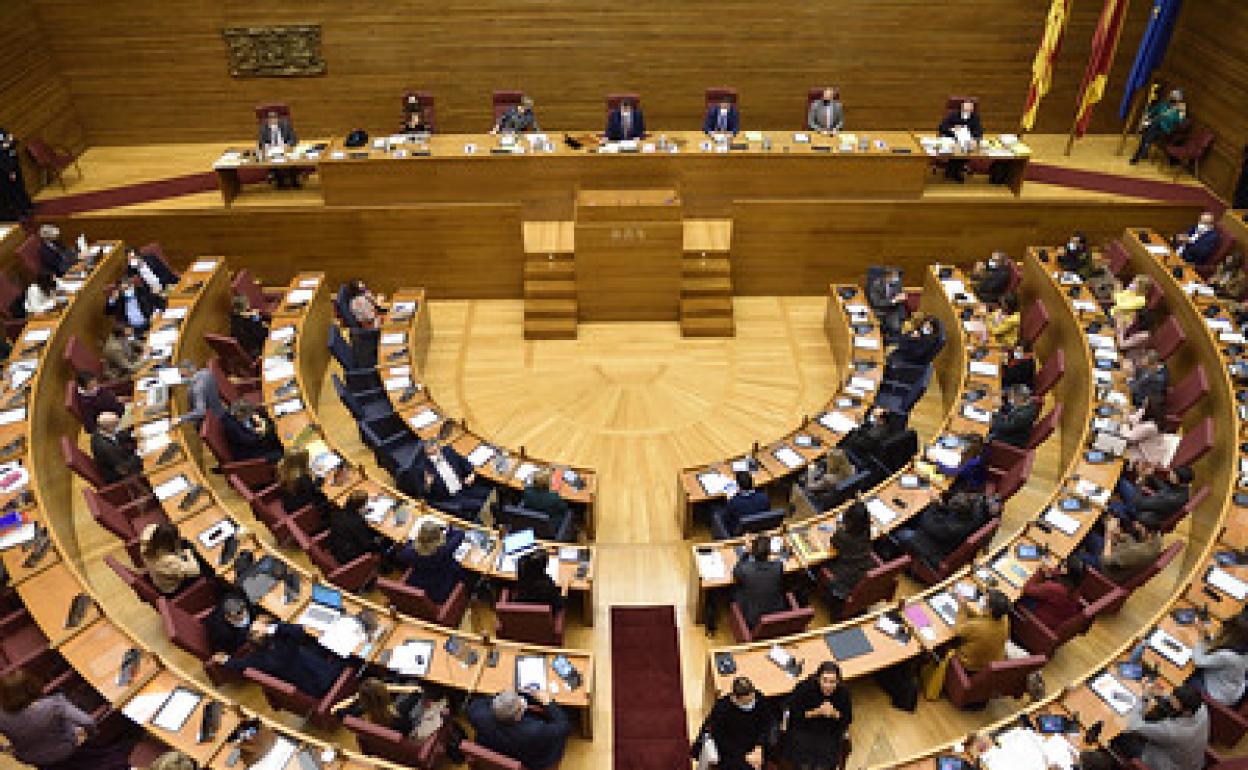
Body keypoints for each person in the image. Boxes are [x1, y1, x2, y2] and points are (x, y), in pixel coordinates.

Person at [0, 669, 133, 770]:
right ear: (32, 686)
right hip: (66, 750)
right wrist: (91, 734)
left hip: (33, 758)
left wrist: (5, 749)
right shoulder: (55, 705)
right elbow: (88, 722)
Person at [213, 620, 348, 698]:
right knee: (348, 655)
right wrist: (273, 626)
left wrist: (225, 659)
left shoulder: (255, 660)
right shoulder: (286, 647)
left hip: (309, 686)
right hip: (327, 681)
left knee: (317, 644)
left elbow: (239, 664)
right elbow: (298, 630)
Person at [893, 491, 999, 572]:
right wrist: (940, 506)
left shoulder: (950, 528)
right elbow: (950, 512)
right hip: (946, 540)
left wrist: (933, 505)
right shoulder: (976, 512)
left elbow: (926, 523)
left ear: (956, 511)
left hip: (935, 550)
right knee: (914, 519)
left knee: (900, 532)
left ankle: (891, 554)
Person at [466, 688, 570, 770]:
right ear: (518, 716)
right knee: (558, 739)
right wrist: (548, 702)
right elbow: (564, 726)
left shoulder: (477, 714)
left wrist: (504, 699)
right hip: (529, 760)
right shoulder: (536, 731)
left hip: (493, 748)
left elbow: (481, 702)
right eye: (520, 706)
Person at [1120, 680, 1208, 770]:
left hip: (1165, 764)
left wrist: (1144, 698)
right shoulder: (1201, 708)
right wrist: (1160, 694)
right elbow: (1176, 701)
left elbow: (1133, 725)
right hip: (1192, 761)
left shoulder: (1172, 732)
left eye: (1172, 707)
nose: (1168, 706)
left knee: (1122, 735)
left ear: (1187, 712)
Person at [782, 662, 852, 770]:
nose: (828, 686)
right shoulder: (804, 688)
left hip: (829, 731)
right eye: (824, 680)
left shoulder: (843, 693)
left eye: (832, 682)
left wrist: (835, 713)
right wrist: (816, 712)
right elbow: (794, 714)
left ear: (838, 681)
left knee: (824, 763)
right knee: (803, 761)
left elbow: (848, 718)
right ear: (818, 678)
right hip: (805, 728)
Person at [695, 676, 776, 770]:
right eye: (746, 703)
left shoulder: (759, 699)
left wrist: (759, 746)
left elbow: (767, 723)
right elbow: (721, 739)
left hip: (756, 742)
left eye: (752, 700)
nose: (750, 704)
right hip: (733, 749)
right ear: (734, 698)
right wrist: (744, 756)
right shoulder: (722, 709)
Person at [402, 439, 494, 519]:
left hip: (465, 486)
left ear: (439, 448)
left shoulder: (448, 451)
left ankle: (494, 512)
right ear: (426, 454)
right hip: (450, 497)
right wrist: (428, 484)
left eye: (436, 451)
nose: (434, 455)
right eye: (431, 454)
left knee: (490, 493)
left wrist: (471, 474)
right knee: (481, 504)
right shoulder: (422, 468)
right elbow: (422, 494)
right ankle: (489, 519)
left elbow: (464, 462)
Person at [339, 677, 445, 741]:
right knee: (421, 686)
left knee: (411, 683)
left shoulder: (362, 710)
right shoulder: (399, 711)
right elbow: (418, 692)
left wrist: (357, 697)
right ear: (385, 694)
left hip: (394, 726)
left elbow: (337, 710)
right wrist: (391, 687)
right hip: (412, 725)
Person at [392, 519, 466, 604]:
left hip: (417, 585)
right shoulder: (443, 551)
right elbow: (460, 534)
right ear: (439, 538)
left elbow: (403, 552)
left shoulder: (409, 552)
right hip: (440, 589)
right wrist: (448, 529)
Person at [821, 501, 874, 618]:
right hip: (863, 571)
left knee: (819, 565)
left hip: (846, 577)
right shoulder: (867, 532)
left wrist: (840, 527)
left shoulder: (842, 536)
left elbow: (833, 542)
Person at [1081, 516, 1161, 584]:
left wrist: (1109, 532)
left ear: (1150, 533)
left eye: (1140, 527)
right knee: (1087, 532)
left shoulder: (1138, 552)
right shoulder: (1156, 538)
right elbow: (1133, 544)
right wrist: (1119, 535)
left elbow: (1105, 560)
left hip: (1107, 570)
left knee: (1075, 554)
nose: (1136, 526)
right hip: (1119, 557)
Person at [1190, 614, 1248, 707]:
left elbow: (1198, 661)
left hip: (1219, 694)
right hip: (1235, 688)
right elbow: (1220, 644)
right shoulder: (1242, 647)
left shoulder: (1227, 656)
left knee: (1186, 679)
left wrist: (1201, 638)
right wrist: (1208, 637)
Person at [732, 535, 786, 629]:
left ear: (752, 552)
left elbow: (736, 571)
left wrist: (746, 553)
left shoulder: (744, 569)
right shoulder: (778, 566)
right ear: (769, 552)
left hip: (753, 619)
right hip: (778, 615)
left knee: (732, 590)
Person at [1019, 556, 1085, 630]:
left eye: (1062, 565)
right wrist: (1050, 572)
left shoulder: (1054, 589)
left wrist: (1040, 571)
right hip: (1054, 618)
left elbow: (1027, 589)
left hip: (1037, 622)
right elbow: (1058, 574)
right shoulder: (1075, 587)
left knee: (1015, 596)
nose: (1059, 566)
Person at [954, 589, 1011, 673]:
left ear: (990, 610)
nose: (982, 600)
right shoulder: (1004, 618)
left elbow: (958, 630)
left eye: (985, 600)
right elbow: (984, 619)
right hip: (992, 661)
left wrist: (962, 608)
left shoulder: (976, 627)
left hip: (970, 665)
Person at [139, 521, 202, 595]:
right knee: (203, 564)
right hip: (173, 588)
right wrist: (188, 553)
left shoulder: (146, 545)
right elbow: (196, 571)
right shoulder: (168, 561)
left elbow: (152, 527)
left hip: (162, 576)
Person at [327, 490, 388, 565]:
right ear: (360, 506)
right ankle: (385, 567)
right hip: (351, 557)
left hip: (336, 547)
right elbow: (368, 544)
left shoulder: (337, 513)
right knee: (385, 541)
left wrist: (360, 513)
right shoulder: (356, 523)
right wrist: (380, 540)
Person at [1130, 90, 1186, 165]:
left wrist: (1182, 113)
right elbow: (1152, 112)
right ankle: (1139, 154)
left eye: (1175, 98)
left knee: (1148, 134)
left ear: (1178, 100)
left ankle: (1140, 154)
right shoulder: (1163, 105)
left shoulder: (1178, 111)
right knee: (1149, 133)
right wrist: (1146, 117)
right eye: (1172, 96)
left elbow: (1180, 122)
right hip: (1154, 127)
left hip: (1165, 131)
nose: (1172, 99)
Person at [798, 447, 858, 511]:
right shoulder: (852, 468)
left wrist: (811, 471)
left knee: (801, 480)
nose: (827, 459)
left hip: (823, 496)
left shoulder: (828, 479)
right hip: (841, 497)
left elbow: (810, 486)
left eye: (828, 459)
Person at [204, 588, 261, 656]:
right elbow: (231, 649)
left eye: (244, 611)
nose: (244, 616)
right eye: (238, 617)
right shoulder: (224, 633)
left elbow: (252, 607)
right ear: (228, 617)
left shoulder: (235, 598)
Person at [275, 448, 331, 515]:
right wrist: (321, 476)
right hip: (306, 512)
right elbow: (315, 490)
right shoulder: (302, 479)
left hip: (290, 506)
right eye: (307, 461)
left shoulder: (282, 471)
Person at [937, 100, 983, 182]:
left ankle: (955, 171)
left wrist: (975, 139)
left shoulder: (975, 117)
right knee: (955, 150)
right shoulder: (953, 115)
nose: (967, 111)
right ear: (961, 108)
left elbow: (978, 130)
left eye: (970, 110)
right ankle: (953, 171)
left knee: (967, 150)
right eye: (965, 109)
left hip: (966, 141)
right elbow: (942, 127)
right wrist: (953, 130)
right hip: (952, 138)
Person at [90, 411, 140, 484]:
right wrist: (140, 455)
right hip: (120, 477)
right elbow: (123, 469)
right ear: (110, 428)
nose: (119, 426)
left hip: (122, 459)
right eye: (117, 425)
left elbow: (118, 435)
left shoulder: (101, 430)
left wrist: (133, 435)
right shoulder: (107, 448)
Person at [717, 471, 770, 538]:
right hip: (760, 528)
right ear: (752, 483)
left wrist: (729, 501)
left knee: (716, 510)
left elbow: (726, 519)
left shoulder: (734, 502)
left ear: (738, 486)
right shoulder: (764, 497)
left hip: (741, 533)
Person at [257, 110, 300, 188]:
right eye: (270, 119)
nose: (272, 120)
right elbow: (261, 142)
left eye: (274, 118)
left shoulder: (285, 125)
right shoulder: (263, 128)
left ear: (278, 119)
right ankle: (280, 182)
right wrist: (266, 147)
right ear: (267, 120)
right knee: (273, 160)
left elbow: (294, 139)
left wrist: (288, 144)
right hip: (271, 150)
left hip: (285, 149)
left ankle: (294, 180)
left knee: (292, 159)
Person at [514, 548, 565, 613]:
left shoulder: (521, 580)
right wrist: (564, 588)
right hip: (546, 617)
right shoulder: (547, 585)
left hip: (523, 614)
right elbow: (560, 604)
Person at [988, 384, 1038, 448]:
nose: (1010, 399)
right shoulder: (1027, 403)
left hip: (1008, 440)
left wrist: (995, 412)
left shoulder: (1021, 416)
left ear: (1019, 398)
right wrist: (1001, 405)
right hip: (1010, 429)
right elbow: (1011, 409)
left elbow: (1003, 426)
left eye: (1011, 396)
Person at [176, 360, 225, 425]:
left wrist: (179, 419)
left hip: (211, 422)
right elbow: (192, 380)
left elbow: (200, 412)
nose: (181, 376)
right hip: (220, 412)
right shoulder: (206, 372)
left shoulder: (198, 389)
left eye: (182, 375)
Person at [0, 129, 32, 222]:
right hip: (4, 169)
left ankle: (26, 206)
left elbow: (13, 139)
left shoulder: (1, 131)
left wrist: (7, 144)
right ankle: (19, 213)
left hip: (13, 162)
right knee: (11, 193)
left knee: (20, 186)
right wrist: (9, 170)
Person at [866, 267, 905, 340]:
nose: (897, 279)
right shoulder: (876, 285)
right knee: (876, 330)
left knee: (896, 328)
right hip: (879, 310)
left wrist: (901, 297)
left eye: (897, 276)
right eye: (895, 276)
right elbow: (877, 302)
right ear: (887, 276)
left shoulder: (897, 284)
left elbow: (898, 296)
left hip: (892, 310)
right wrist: (893, 301)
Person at [229, 293, 268, 360]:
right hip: (257, 350)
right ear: (247, 305)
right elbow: (263, 334)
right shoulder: (250, 320)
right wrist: (257, 318)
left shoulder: (233, 319)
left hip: (245, 350)